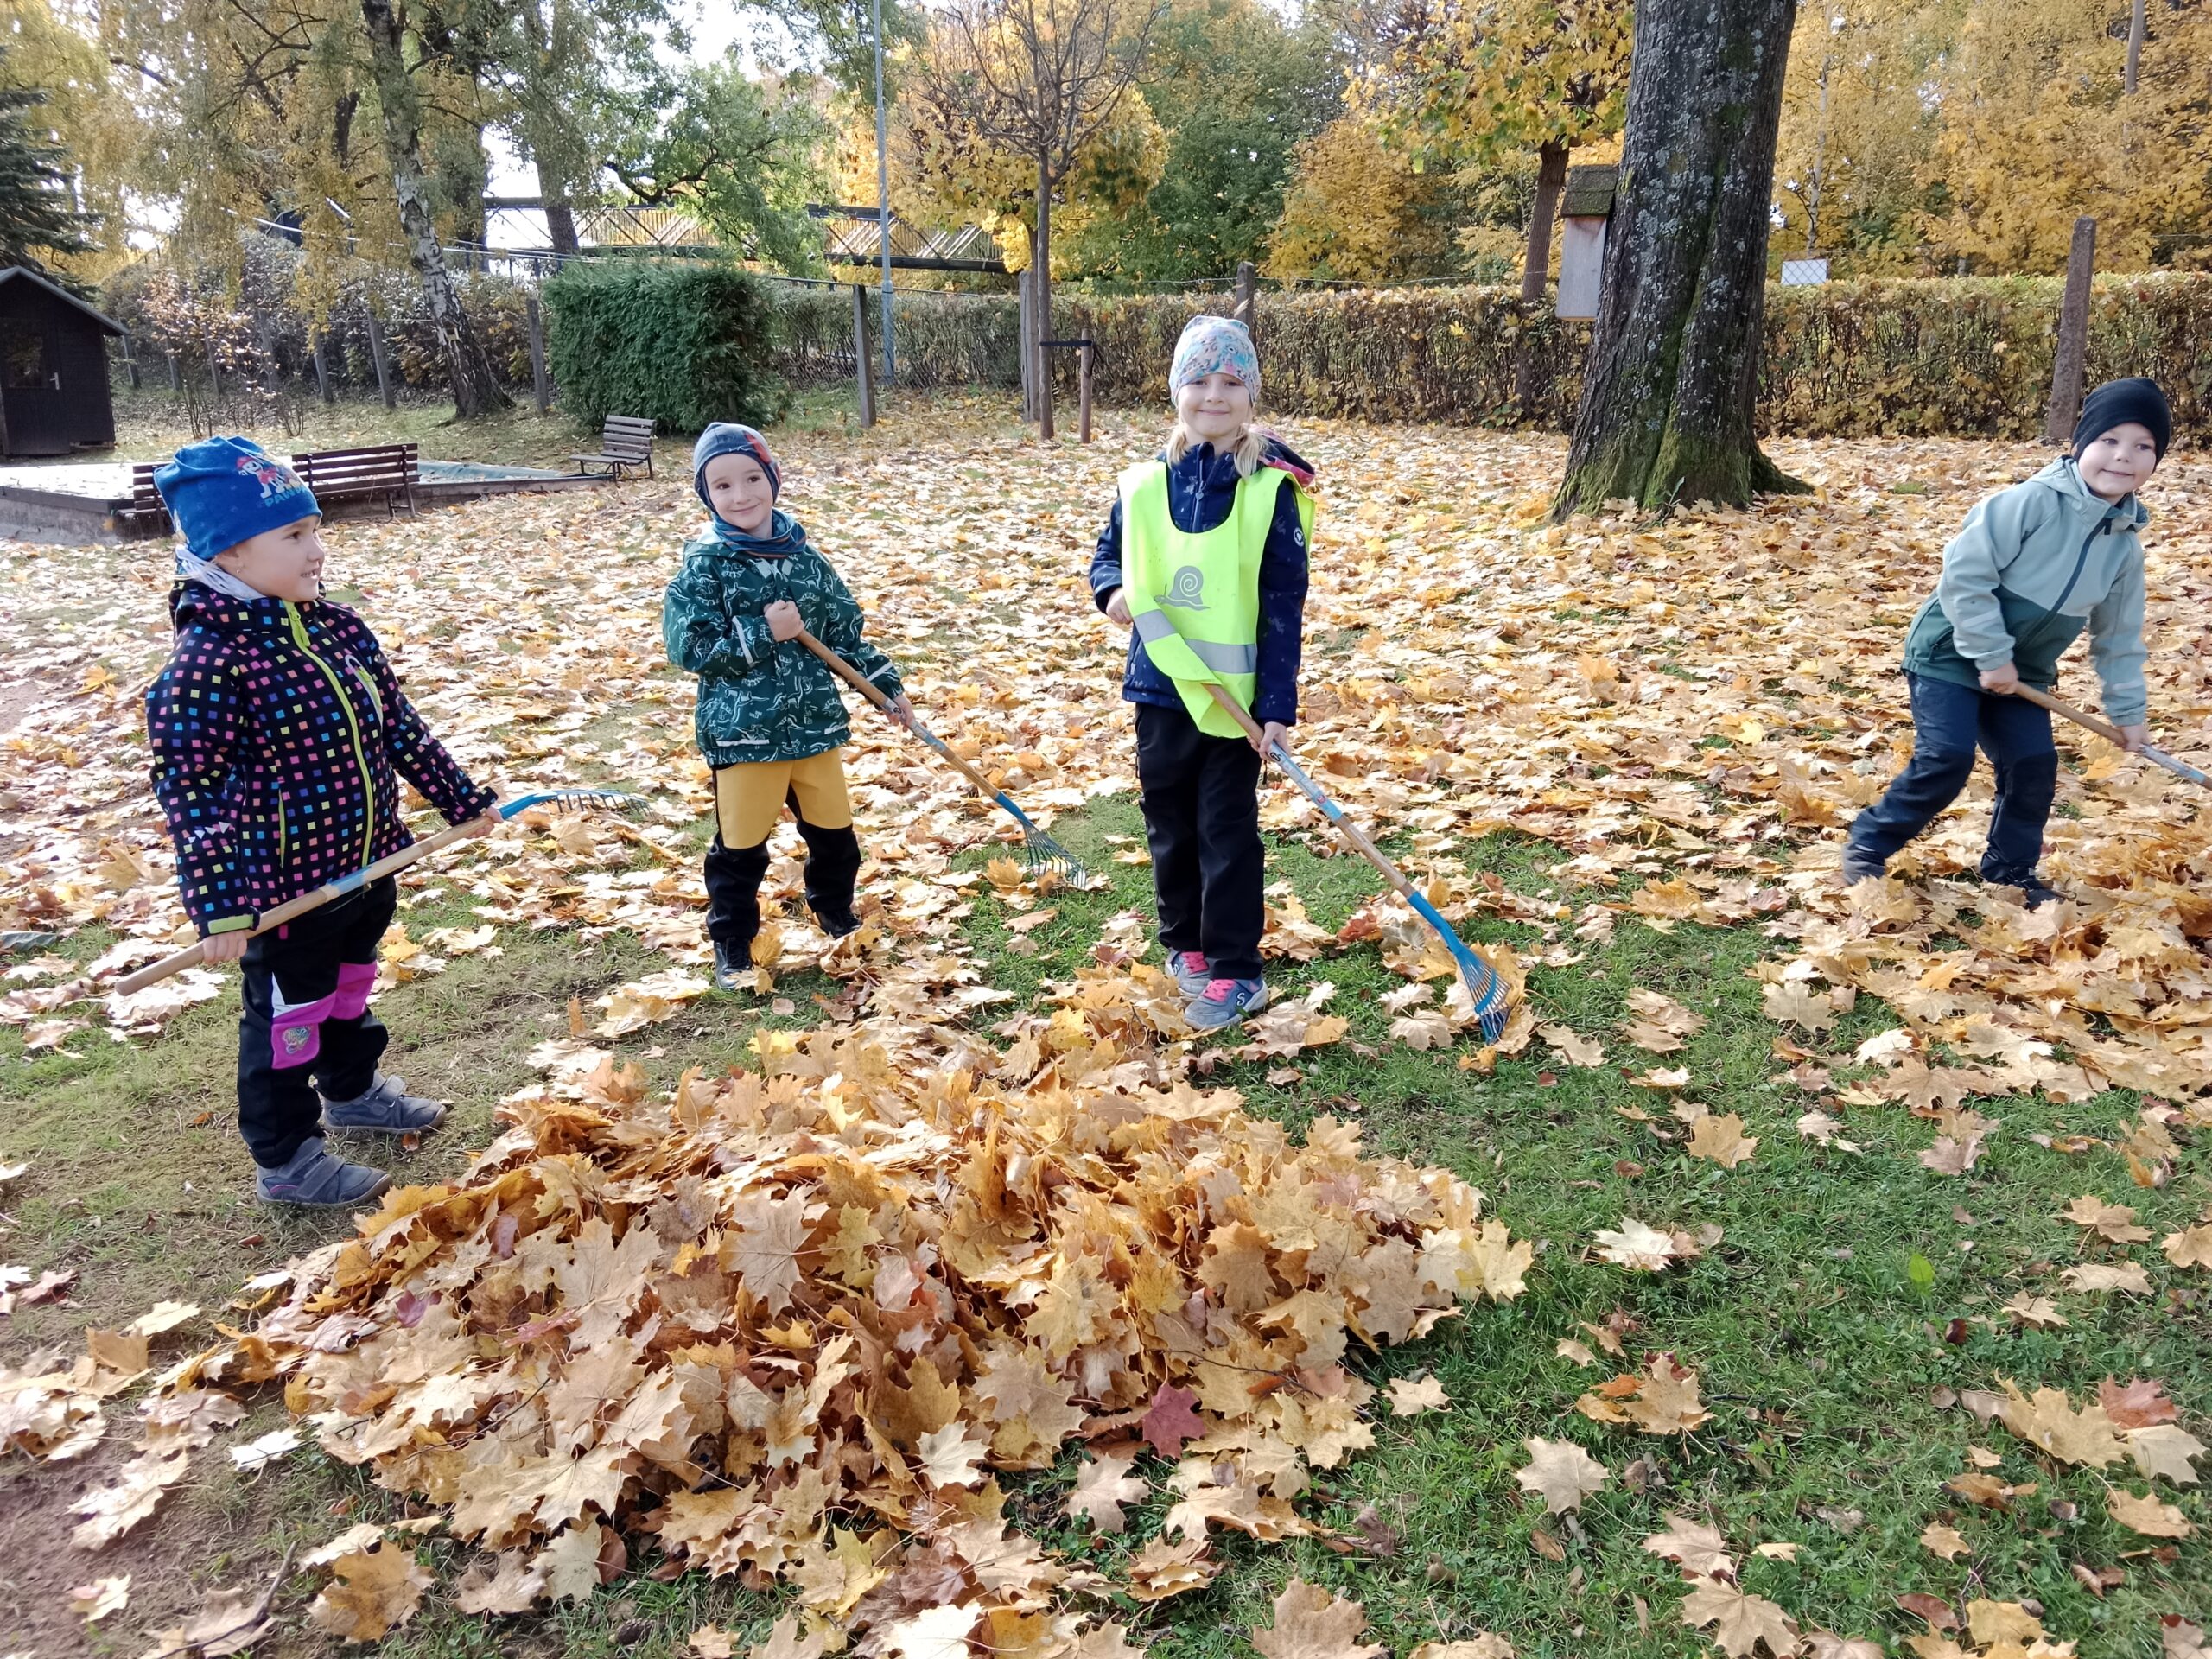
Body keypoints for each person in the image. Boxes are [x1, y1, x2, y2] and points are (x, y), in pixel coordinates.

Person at [144, 436, 499, 1207]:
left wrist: (460, 799)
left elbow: (397, 726)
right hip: (285, 894)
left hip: (367, 866)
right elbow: (191, 792)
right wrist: (219, 904)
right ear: (230, 553)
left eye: (314, 529)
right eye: (294, 535)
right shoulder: (207, 665)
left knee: (347, 990)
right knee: (288, 1021)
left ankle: (352, 1092)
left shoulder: (337, 628)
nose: (317, 550)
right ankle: (288, 1158)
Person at [1842, 377, 2171, 905]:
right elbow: (1965, 577)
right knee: (1947, 757)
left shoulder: (2124, 550)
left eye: (2143, 446)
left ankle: (2010, 871)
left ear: (2156, 460)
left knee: (2033, 765)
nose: (2122, 456)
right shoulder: (2028, 502)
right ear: (2080, 443)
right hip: (1951, 652)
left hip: (2025, 674)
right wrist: (1991, 654)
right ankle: (1870, 843)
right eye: (2109, 439)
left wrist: (2129, 713)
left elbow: (2118, 639)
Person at [1090, 315, 1315, 1030]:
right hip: (1159, 690)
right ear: (1176, 391)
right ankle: (1184, 943)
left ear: (1251, 396)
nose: (1213, 394)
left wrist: (1276, 706)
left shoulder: (1270, 490)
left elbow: (1282, 604)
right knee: (1169, 824)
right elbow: (1107, 557)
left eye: (1231, 381)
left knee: (1225, 829)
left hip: (1232, 704)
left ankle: (1236, 969)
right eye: (1199, 379)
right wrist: (1112, 593)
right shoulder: (1142, 485)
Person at [662, 423, 913, 990]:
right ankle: (732, 941)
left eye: (752, 478)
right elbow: (690, 648)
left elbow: (844, 634)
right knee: (741, 848)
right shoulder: (705, 565)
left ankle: (834, 909)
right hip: (746, 734)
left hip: (814, 726)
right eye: (723, 485)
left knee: (835, 835)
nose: (741, 495)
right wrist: (762, 631)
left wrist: (886, 688)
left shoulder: (805, 558)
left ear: (772, 480)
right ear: (706, 494)